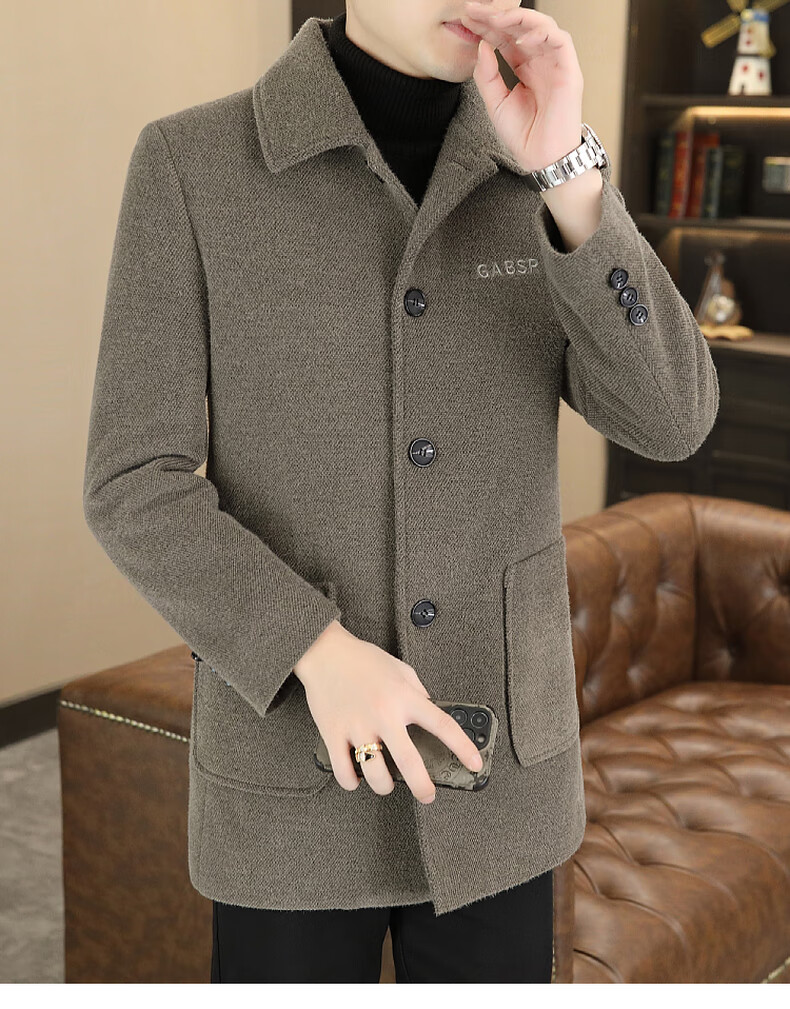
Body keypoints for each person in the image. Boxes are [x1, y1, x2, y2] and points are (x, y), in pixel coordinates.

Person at [83, 0, 719, 984]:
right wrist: (316, 649)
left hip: (499, 774)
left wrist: (570, 173)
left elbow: (672, 419)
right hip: (290, 778)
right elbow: (134, 483)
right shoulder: (193, 164)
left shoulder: (542, 171)